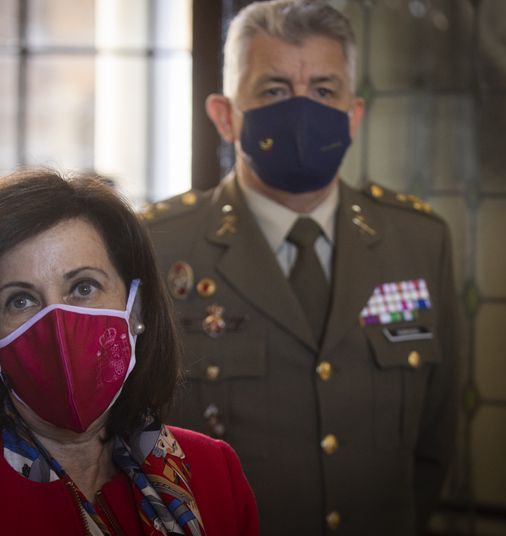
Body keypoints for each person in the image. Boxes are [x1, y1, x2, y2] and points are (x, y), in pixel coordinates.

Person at [142, 1, 460, 534]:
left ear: (353, 115)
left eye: (323, 91)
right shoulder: (158, 247)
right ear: (224, 116)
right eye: (273, 90)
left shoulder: (418, 244)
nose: (302, 110)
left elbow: (434, 441)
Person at [0, 168, 259, 535]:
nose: (58, 325)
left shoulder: (213, 473)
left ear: (135, 309)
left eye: (83, 288)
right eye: (21, 300)